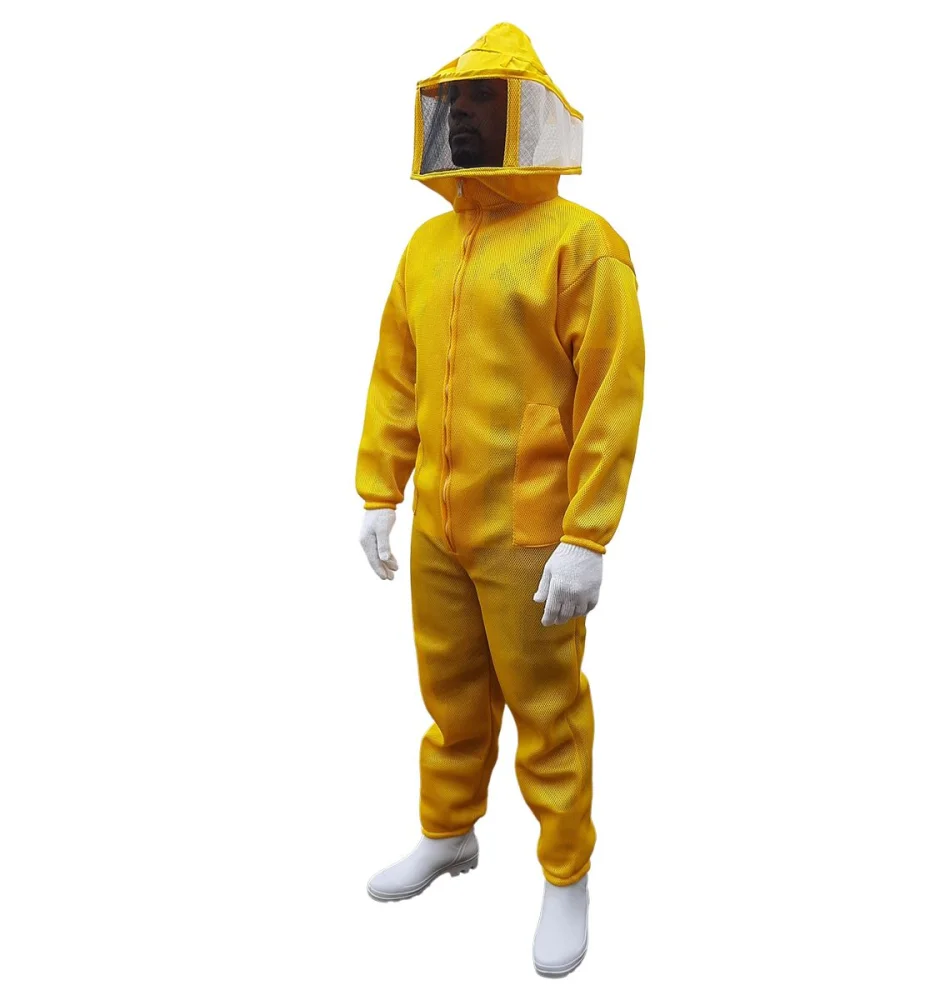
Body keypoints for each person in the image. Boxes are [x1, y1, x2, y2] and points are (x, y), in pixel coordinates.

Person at [355, 23, 645, 978]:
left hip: (531, 532)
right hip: (439, 527)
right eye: (459, 103)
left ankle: (567, 872)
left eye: (487, 101)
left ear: (530, 113)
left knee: (546, 708)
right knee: (449, 694)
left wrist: (587, 535)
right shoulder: (426, 248)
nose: (468, 119)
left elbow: (611, 395)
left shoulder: (581, 244)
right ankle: (449, 831)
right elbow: (397, 377)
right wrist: (380, 491)